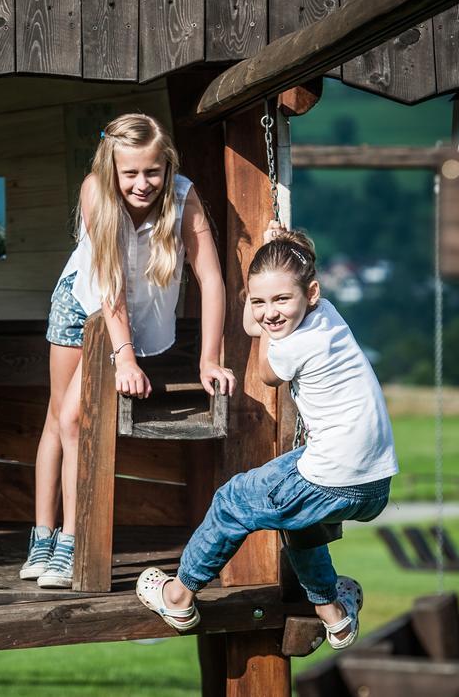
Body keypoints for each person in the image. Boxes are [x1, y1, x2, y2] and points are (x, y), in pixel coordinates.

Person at [136, 223, 397, 648]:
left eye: (281, 300)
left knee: (233, 500)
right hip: (374, 483)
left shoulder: (295, 345)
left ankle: (178, 596)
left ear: (309, 293)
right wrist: (268, 264)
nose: (269, 311)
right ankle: (335, 615)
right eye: (259, 301)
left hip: (333, 472)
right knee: (300, 520)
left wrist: (264, 325)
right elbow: (257, 320)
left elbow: (264, 373)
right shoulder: (327, 314)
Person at [21, 113, 236, 589]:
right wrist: (125, 357)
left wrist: (209, 357)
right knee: (61, 417)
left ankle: (74, 539)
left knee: (79, 419)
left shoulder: (183, 197)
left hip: (132, 321)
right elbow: (110, 282)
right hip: (83, 307)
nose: (143, 184)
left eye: (152, 172)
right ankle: (46, 537)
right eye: (131, 173)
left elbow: (212, 280)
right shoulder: (96, 193)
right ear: (112, 169)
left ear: (167, 166)